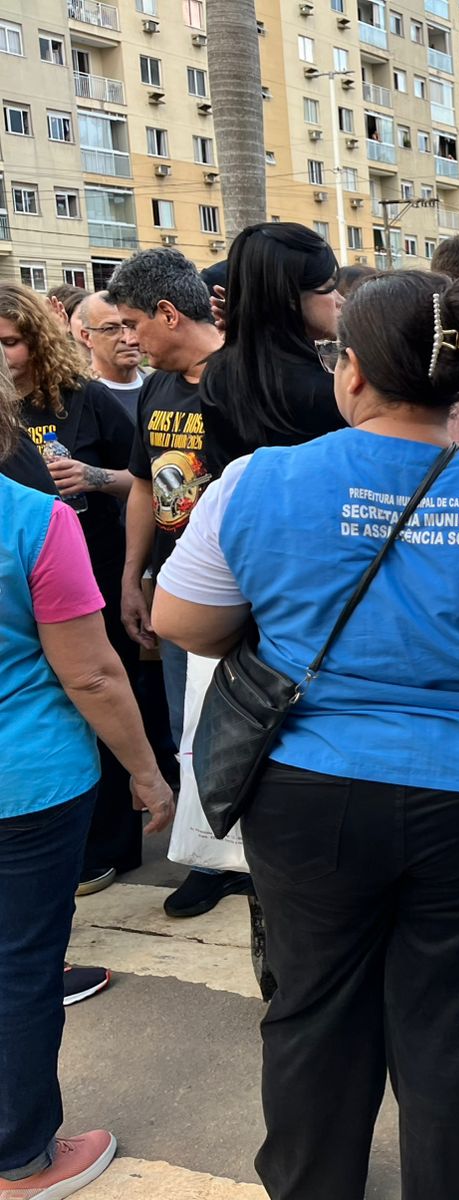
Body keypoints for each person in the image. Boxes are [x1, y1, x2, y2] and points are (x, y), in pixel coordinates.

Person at [151, 271, 459, 1200]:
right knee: (455, 1025)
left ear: (355, 371)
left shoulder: (263, 480)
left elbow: (184, 619)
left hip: (309, 790)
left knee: (313, 1010)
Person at [0, 389, 173, 1196]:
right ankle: (20, 1154)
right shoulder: (34, 521)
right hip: (25, 784)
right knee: (22, 967)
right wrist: (146, 771)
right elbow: (95, 671)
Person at [106, 247, 239, 919]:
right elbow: (140, 484)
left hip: (240, 598)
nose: (127, 341)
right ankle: (207, 858)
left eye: (132, 324)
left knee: (242, 728)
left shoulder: (242, 381)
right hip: (173, 589)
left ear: (167, 312)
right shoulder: (158, 387)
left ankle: (249, 857)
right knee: (189, 729)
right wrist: (133, 577)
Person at [1, 284, 145, 896]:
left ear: (37, 340)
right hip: (26, 581)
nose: (3, 354)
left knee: (101, 698)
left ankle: (109, 843)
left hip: (92, 570)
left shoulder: (82, 400)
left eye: (11, 341)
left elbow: (137, 479)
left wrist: (90, 477)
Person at [201, 223, 347, 475]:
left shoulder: (218, 374)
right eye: (328, 286)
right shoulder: (328, 389)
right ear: (289, 296)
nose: (339, 300)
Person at [73, 292, 146, 404]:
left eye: (133, 326)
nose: (128, 338)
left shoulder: (162, 390)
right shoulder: (75, 399)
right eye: (111, 329)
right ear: (87, 337)